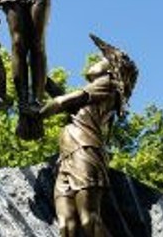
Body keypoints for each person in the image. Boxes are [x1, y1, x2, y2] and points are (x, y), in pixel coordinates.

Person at [38, 35, 138, 237]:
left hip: (85, 151)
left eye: (99, 60)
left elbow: (63, 101)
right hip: (66, 157)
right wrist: (40, 76)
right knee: (66, 225)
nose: (94, 62)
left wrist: (35, 115)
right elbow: (63, 97)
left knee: (89, 220)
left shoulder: (108, 84)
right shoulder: (94, 93)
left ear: (110, 70)